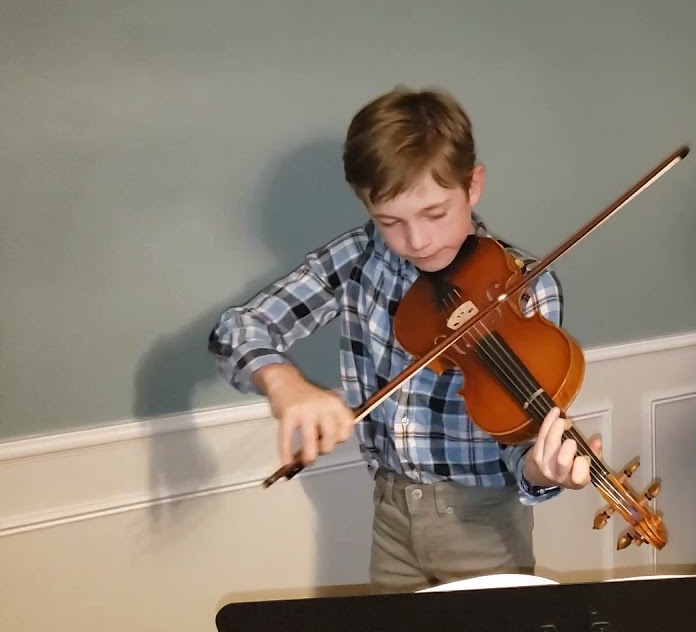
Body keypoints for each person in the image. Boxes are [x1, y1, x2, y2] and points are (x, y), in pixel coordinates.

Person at [208, 86, 599, 592]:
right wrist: (282, 382)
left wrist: (542, 470)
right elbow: (237, 329)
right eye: (389, 221)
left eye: (435, 214)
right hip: (391, 515)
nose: (417, 241)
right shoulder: (357, 259)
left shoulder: (523, 288)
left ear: (473, 186)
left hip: (482, 528)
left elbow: (515, 441)